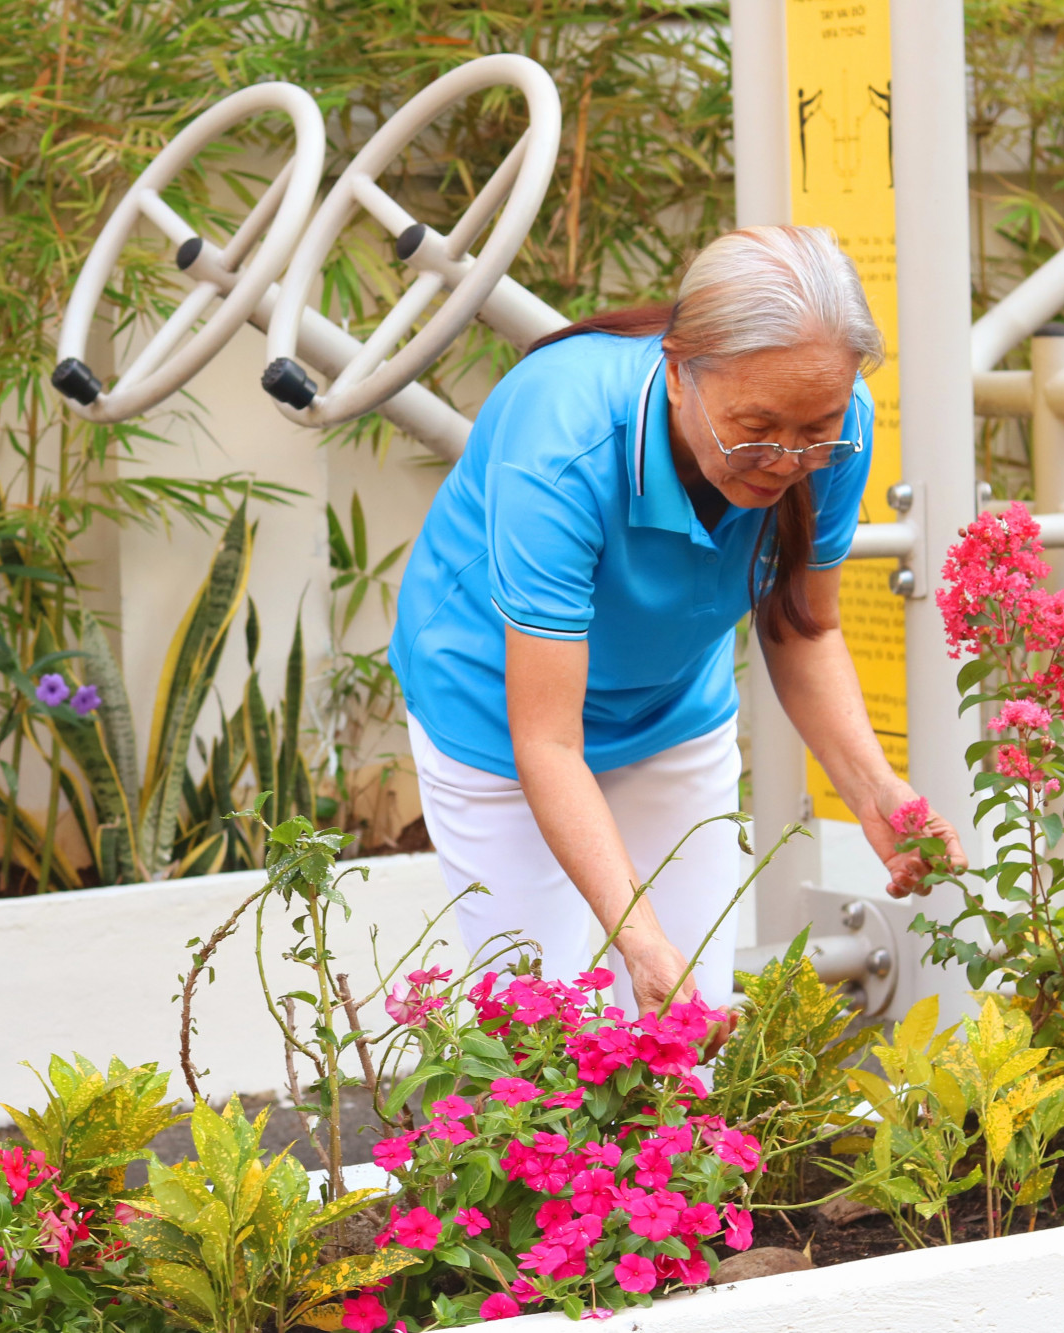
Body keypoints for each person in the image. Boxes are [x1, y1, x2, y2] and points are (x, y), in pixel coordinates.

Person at [389, 225, 964, 1020]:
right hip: (497, 716)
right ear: (678, 371)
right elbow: (548, 741)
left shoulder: (837, 428)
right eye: (758, 426)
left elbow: (803, 626)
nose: (788, 457)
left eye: (815, 428)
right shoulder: (563, 436)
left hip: (670, 705)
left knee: (691, 1025)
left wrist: (876, 790)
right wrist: (635, 934)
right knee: (544, 1028)